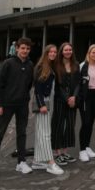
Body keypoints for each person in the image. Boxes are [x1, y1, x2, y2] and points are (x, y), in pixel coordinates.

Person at [0, 37, 34, 179]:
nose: (25, 50)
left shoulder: (30, 65)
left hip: (22, 105)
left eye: (27, 48)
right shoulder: (8, 63)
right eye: (23, 48)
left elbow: (29, 84)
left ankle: (21, 162)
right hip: (6, 105)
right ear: (17, 48)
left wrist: (24, 98)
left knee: (22, 133)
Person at [31, 44, 64, 175]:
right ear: (46, 53)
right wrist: (41, 105)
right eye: (50, 52)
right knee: (45, 134)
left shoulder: (51, 66)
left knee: (41, 132)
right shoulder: (41, 67)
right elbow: (37, 89)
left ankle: (38, 161)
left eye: (55, 52)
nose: (53, 54)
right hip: (44, 102)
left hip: (49, 101)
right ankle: (50, 163)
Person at [51, 42, 80, 166]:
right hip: (60, 100)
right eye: (65, 50)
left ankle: (64, 152)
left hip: (73, 100)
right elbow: (57, 85)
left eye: (70, 50)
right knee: (57, 125)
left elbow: (79, 83)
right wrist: (67, 98)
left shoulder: (76, 64)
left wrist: (74, 97)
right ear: (61, 51)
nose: (68, 52)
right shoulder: (56, 65)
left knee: (70, 125)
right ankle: (57, 153)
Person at [78, 44, 95, 162]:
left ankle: (87, 147)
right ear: (89, 53)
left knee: (91, 123)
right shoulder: (83, 65)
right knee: (85, 123)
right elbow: (78, 83)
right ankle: (82, 150)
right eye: (93, 52)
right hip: (85, 97)